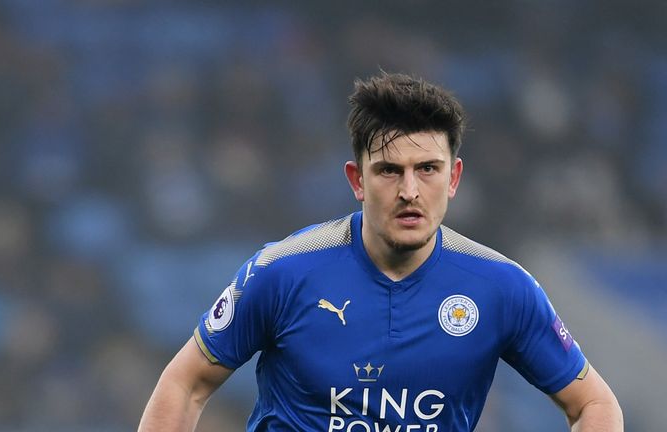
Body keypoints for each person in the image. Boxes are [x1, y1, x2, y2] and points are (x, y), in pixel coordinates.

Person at [138, 72, 623, 431]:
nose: (409, 190)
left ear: (453, 179)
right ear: (357, 180)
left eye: (428, 169)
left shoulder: (502, 288)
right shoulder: (282, 272)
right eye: (389, 170)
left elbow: (595, 405)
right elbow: (185, 384)